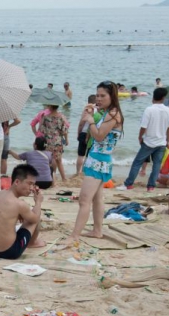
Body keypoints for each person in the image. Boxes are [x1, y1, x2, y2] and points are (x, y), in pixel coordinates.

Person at [67, 81, 124, 243]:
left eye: (102, 96)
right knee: (97, 198)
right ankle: (97, 230)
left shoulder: (113, 114)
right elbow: (91, 134)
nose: (98, 99)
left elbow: (99, 136)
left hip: (99, 161)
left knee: (84, 200)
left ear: (112, 96)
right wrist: (89, 116)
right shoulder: (107, 112)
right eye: (97, 95)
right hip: (96, 159)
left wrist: (91, 119)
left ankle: (74, 236)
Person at [0, 164, 45, 259]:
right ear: (17, 182)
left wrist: (17, 213)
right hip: (9, 252)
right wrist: (38, 202)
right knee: (34, 219)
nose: (32, 188)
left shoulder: (0, 194)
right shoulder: (19, 204)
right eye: (30, 183)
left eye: (33, 184)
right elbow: (35, 219)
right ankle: (32, 243)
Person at [119, 87, 169, 192]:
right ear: (163, 97)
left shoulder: (149, 109)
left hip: (149, 142)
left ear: (153, 96)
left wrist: (140, 137)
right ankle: (151, 186)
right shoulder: (168, 111)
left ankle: (129, 184)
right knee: (156, 165)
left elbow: (143, 126)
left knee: (137, 163)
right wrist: (167, 141)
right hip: (161, 142)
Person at [39, 105, 69, 182]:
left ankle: (51, 178)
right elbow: (64, 131)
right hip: (58, 141)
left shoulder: (45, 117)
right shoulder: (61, 116)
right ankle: (64, 178)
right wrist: (66, 140)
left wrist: (41, 120)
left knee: (50, 160)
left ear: (51, 107)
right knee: (59, 161)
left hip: (48, 142)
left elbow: (41, 130)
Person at [76, 94, 98, 175]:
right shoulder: (98, 110)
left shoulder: (86, 109)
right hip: (93, 133)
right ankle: (85, 172)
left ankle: (78, 172)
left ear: (88, 101)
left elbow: (82, 123)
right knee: (89, 155)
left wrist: (78, 133)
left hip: (84, 132)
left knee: (80, 154)